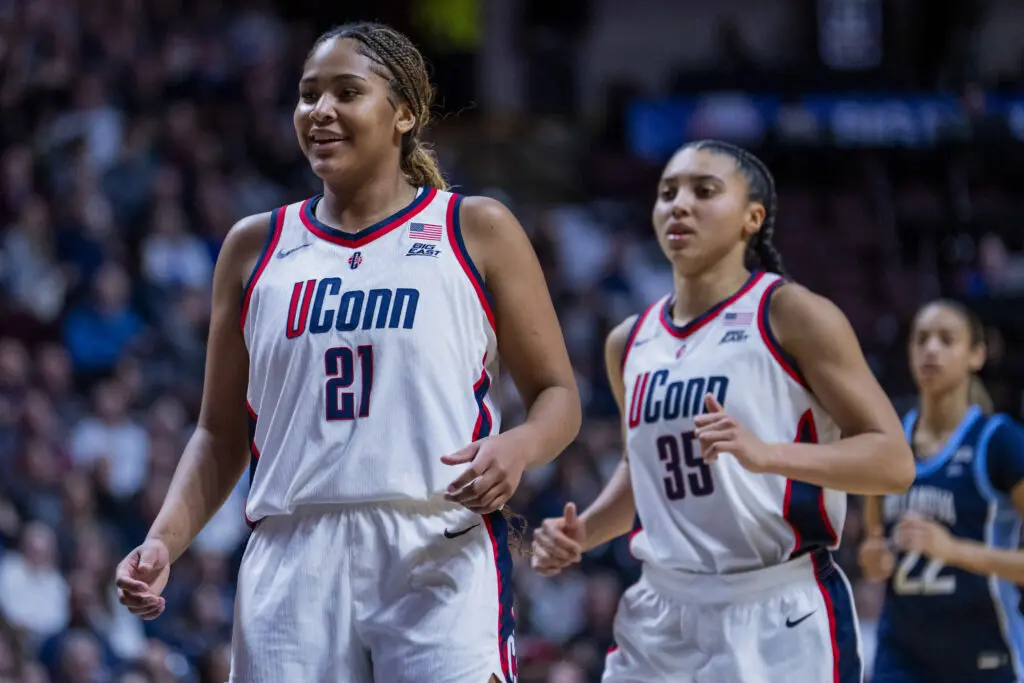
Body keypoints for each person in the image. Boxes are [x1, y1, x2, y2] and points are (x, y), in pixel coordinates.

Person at [114, 22, 581, 683]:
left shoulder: (475, 228)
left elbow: (558, 396)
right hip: (293, 551)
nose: (320, 111)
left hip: (434, 540)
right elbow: (219, 432)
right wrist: (164, 538)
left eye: (346, 92)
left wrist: (520, 446)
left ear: (404, 113)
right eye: (307, 95)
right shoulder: (255, 247)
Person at [531, 139, 914, 683]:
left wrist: (767, 455)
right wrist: (585, 531)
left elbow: (893, 461)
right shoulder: (629, 340)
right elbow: (647, 473)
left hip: (777, 607)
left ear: (752, 218)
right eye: (667, 193)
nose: (678, 205)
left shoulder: (791, 314)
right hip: (660, 608)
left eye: (704, 191)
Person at [859, 300, 1024, 683]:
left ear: (977, 354)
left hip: (986, 652)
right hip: (902, 656)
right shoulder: (888, 441)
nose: (931, 349)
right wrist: (873, 557)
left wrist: (953, 551)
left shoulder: (1001, 442)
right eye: (921, 339)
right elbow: (873, 545)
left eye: (946, 340)